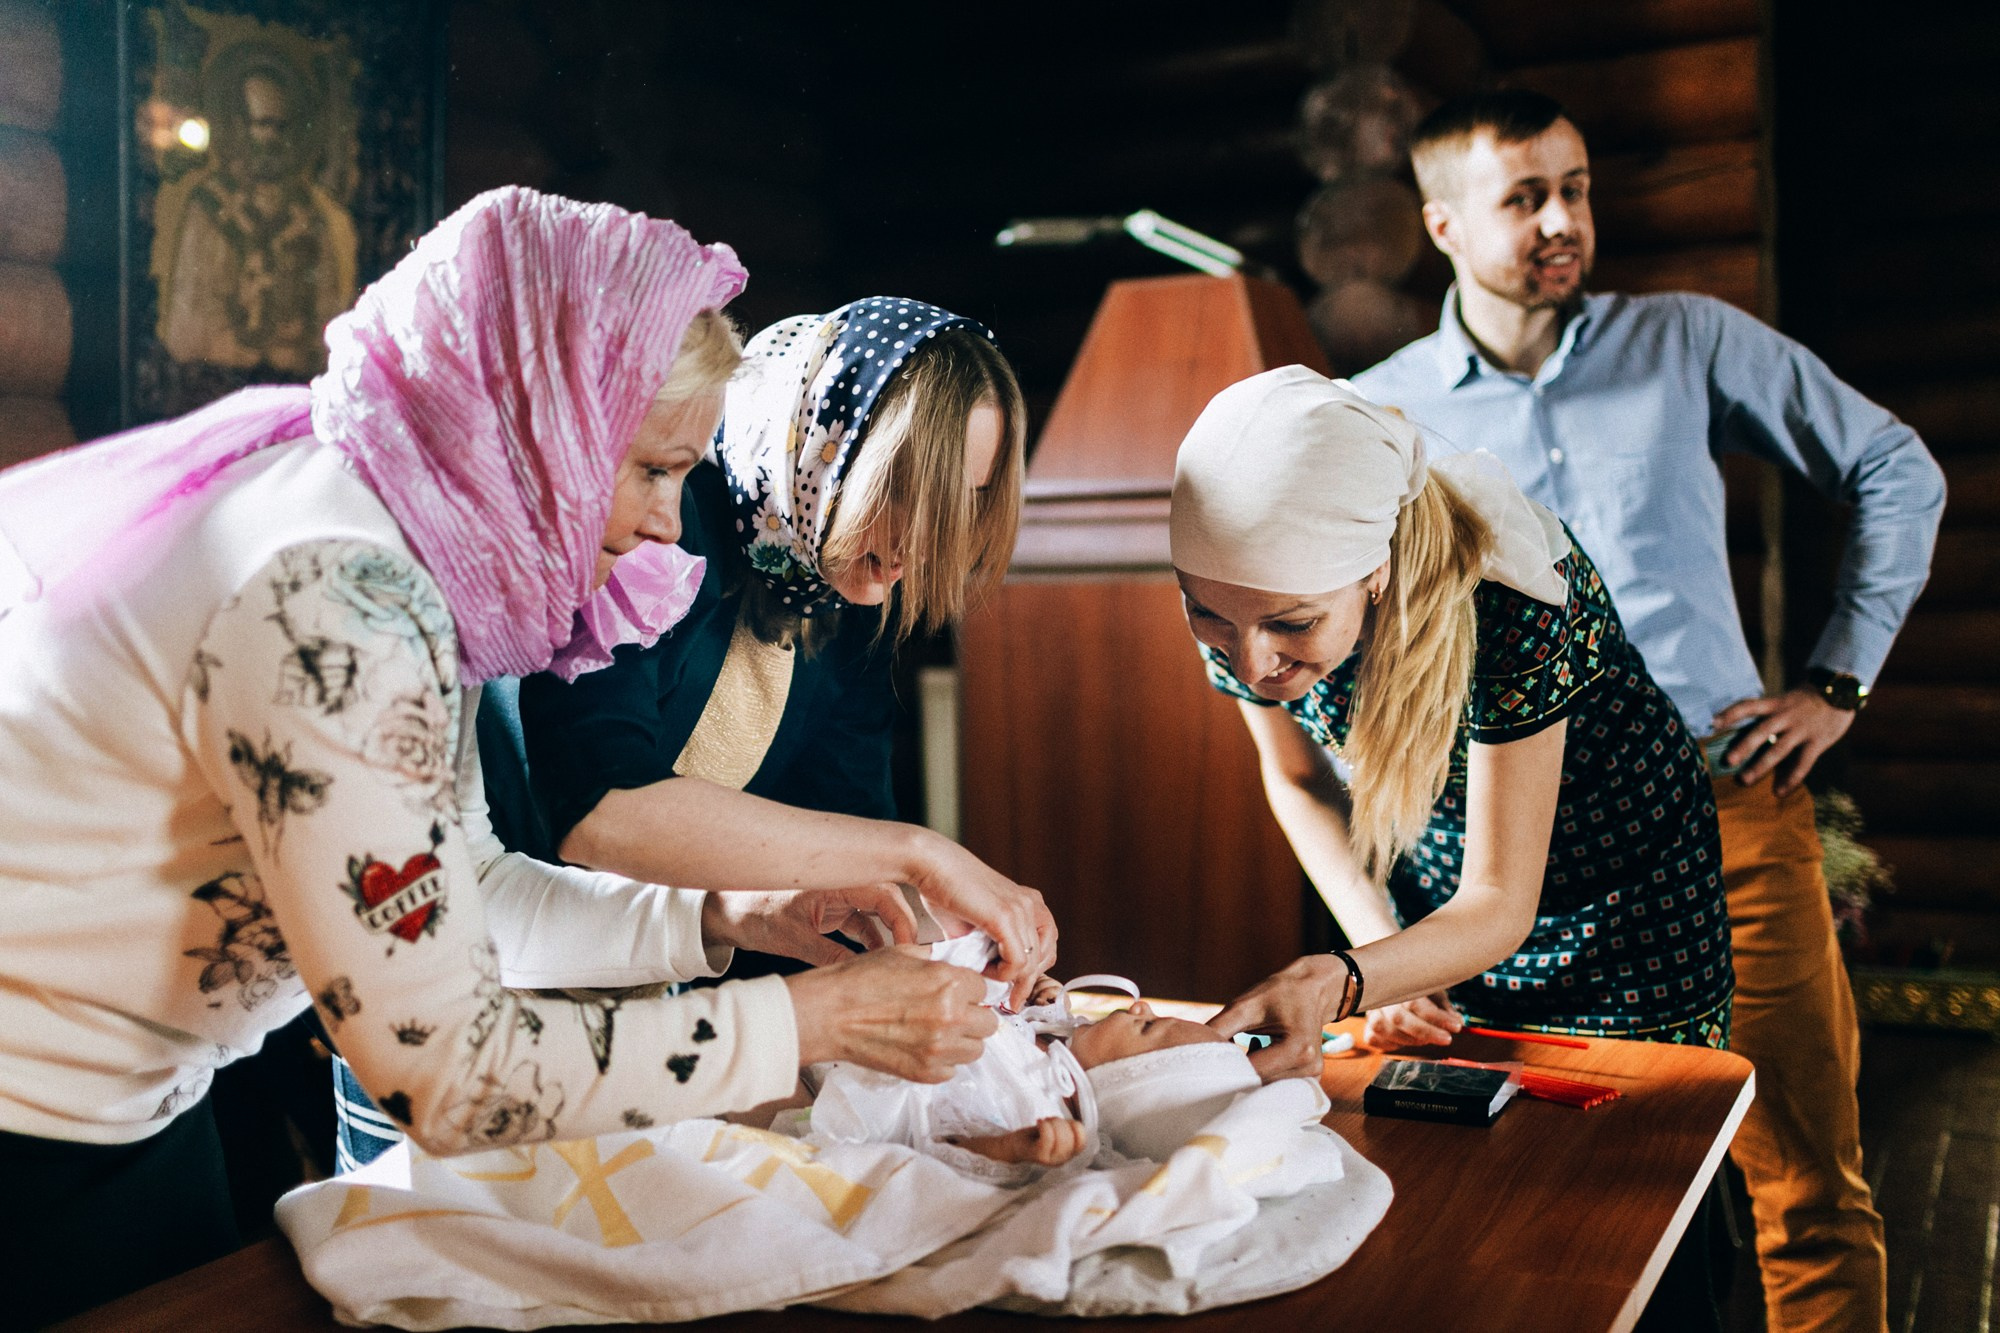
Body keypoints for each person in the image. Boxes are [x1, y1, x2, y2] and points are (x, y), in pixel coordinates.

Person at [0, 188, 1024, 1327]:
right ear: (535, 421)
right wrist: (816, 1024)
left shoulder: (404, 548)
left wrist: (733, 915)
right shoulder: (335, 601)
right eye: (647, 470)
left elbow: (470, 887)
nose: (666, 527)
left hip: (143, 1104)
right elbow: (447, 1067)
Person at [1351, 90, 1944, 1332]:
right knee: (1533, 1175)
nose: (1563, 220)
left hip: (1726, 812)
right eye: (1525, 198)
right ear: (1442, 225)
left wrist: (1835, 681)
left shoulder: (1688, 340)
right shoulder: (1383, 414)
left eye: (1574, 189)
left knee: (1804, 1189)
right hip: (1516, 864)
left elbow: (1895, 466)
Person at [1182, 367, 1734, 1326]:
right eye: (1209, 617)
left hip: (1626, 913)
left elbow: (1502, 903)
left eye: (1293, 624)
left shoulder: (1514, 600)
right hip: (1447, 902)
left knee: (1632, 1216)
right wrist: (1384, 952)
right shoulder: (1243, 604)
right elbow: (1301, 781)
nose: (1253, 660)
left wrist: (1346, 980)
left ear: (1377, 571)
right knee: (1484, 1207)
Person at [490, 295, 1052, 998]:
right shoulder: (655, 524)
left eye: (963, 500)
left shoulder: (849, 591)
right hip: (491, 986)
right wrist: (923, 854)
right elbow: (598, 808)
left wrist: (962, 947)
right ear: (825, 443)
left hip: (649, 998)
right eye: (910, 490)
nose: (930, 542)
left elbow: (846, 855)